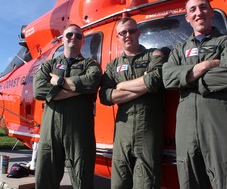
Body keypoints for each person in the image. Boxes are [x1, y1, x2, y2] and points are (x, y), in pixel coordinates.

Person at [162, 0, 227, 189]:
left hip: (220, 119)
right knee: (188, 177)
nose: (198, 13)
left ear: (211, 12)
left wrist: (187, 79)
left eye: (203, 8)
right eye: (192, 10)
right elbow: (167, 78)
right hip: (186, 124)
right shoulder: (178, 50)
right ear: (187, 17)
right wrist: (205, 66)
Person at [99, 17, 166, 189]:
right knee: (119, 182)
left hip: (148, 128)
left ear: (138, 32)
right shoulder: (113, 65)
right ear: (118, 37)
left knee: (146, 183)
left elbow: (154, 81)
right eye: (123, 32)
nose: (127, 35)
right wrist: (142, 85)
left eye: (131, 31)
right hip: (122, 129)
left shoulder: (154, 55)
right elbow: (105, 96)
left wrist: (120, 86)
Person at [33, 23, 102, 189]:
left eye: (78, 36)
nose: (73, 38)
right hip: (51, 130)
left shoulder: (90, 65)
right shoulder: (49, 65)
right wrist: (78, 90)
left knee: (82, 179)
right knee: (45, 179)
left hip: (79, 131)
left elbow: (93, 82)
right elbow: (38, 90)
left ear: (83, 42)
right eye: (69, 34)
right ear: (63, 39)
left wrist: (59, 82)